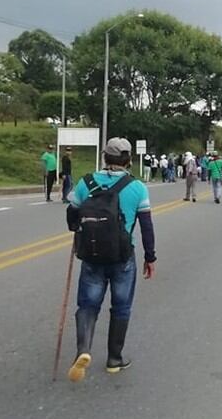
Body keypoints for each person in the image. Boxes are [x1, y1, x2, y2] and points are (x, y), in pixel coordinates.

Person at [65, 137, 156, 382]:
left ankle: (83, 350)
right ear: (128, 160)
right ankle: (114, 359)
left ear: (105, 157)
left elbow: (72, 214)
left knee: (88, 305)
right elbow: (146, 227)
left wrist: (78, 230)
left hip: (92, 254)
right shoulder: (137, 187)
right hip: (122, 257)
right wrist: (150, 257)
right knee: (121, 306)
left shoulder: (85, 183)